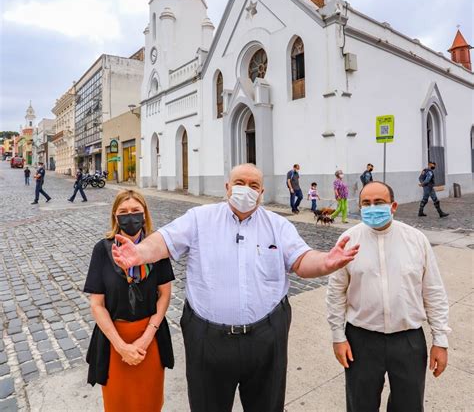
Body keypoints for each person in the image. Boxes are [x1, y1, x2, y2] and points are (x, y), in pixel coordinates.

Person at [112, 163, 360, 412]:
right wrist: (140, 252)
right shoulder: (200, 218)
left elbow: (302, 260)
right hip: (207, 338)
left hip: (266, 334)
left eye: (254, 186)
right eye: (240, 183)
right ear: (228, 187)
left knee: (267, 404)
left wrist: (325, 262)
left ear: (261, 192)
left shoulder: (278, 225)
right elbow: (164, 240)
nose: (246, 190)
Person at [327, 180, 450, 412]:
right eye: (366, 203)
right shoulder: (348, 240)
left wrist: (440, 341)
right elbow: (335, 292)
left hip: (408, 341)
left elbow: (433, 292)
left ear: (393, 206)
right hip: (361, 341)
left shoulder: (416, 240)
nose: (372, 207)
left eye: (379, 202)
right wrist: (337, 336)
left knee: (409, 406)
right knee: (360, 404)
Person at [84, 190, 174, 412]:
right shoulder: (102, 250)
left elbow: (164, 294)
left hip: (150, 339)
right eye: (123, 212)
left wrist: (145, 338)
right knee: (118, 404)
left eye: (136, 211)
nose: (130, 216)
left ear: (145, 215)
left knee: (150, 402)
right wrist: (121, 346)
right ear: (115, 216)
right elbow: (97, 304)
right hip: (115, 340)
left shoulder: (157, 248)